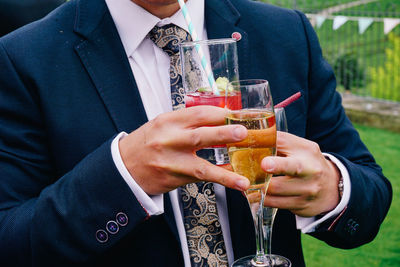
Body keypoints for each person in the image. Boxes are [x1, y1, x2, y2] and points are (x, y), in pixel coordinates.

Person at [0, 0, 392, 266]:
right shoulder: (23, 58)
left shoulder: (287, 32)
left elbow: (371, 190)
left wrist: (331, 189)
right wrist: (123, 176)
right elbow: (12, 242)